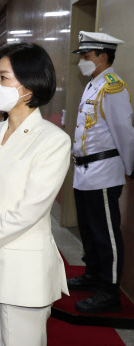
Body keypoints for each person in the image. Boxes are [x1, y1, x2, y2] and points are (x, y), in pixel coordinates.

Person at [0, 43, 71, 346]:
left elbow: (28, 210)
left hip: (23, 270)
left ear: (30, 84)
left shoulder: (53, 140)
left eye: (4, 78)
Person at [67, 31, 134, 313]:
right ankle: (93, 273)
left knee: (106, 233)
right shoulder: (93, 84)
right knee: (89, 230)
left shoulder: (112, 87)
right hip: (84, 172)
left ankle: (110, 291)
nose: (82, 60)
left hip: (105, 172)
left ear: (102, 56)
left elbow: (125, 133)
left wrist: (130, 168)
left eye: (86, 55)